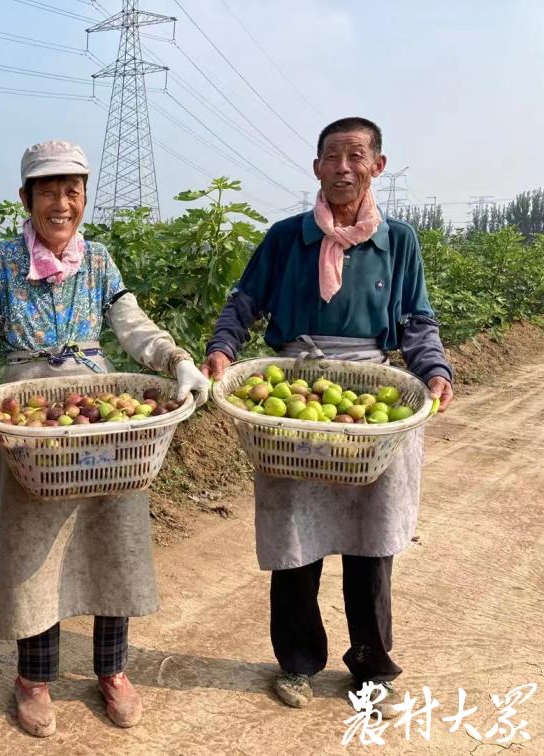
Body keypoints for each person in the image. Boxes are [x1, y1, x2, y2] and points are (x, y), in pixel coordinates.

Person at [0, 140, 209, 737]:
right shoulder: (0, 260)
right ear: (26, 198)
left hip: (101, 416)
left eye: (72, 191)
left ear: (85, 197)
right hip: (28, 421)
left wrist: (175, 360)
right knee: (34, 550)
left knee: (111, 538)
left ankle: (112, 669)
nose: (61, 203)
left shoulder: (99, 261)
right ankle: (34, 679)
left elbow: (130, 324)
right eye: (48, 191)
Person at [202, 117, 454, 714]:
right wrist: (222, 348)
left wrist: (435, 370)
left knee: (372, 539)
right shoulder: (288, 237)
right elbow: (243, 302)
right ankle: (296, 663)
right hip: (292, 392)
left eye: (356, 156)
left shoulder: (399, 242)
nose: (343, 167)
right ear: (316, 168)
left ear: (377, 166)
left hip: (370, 394)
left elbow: (417, 322)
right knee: (297, 535)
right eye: (332, 157)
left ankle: (372, 669)